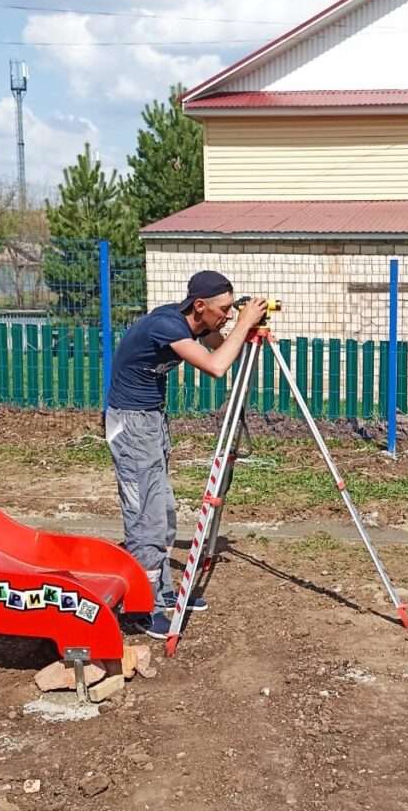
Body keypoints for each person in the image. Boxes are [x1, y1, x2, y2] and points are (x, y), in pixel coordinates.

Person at [105, 270, 268, 639]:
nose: (228, 315)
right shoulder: (166, 324)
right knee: (145, 516)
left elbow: (222, 344)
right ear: (199, 306)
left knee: (162, 512)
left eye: (232, 308)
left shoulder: (193, 323)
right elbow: (217, 366)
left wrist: (244, 325)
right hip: (130, 424)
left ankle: (162, 592)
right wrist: (244, 323)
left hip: (151, 420)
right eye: (223, 308)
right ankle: (142, 609)